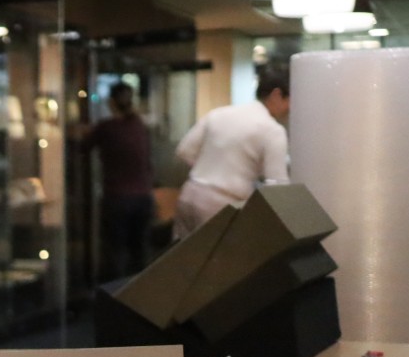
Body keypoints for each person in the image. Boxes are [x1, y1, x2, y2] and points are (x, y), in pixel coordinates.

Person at [172, 68, 291, 240]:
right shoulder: (272, 130)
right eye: (291, 100)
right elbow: (277, 185)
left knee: (183, 260)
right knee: (219, 264)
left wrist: (211, 171)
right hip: (221, 205)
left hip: (189, 194)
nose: (291, 108)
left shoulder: (219, 113)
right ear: (276, 94)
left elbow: (184, 151)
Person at [82, 82, 154, 279]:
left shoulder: (106, 128)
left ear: (111, 102)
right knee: (140, 250)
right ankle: (141, 297)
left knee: (116, 250)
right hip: (143, 196)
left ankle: (116, 297)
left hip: (117, 197)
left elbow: (82, 147)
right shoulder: (140, 126)